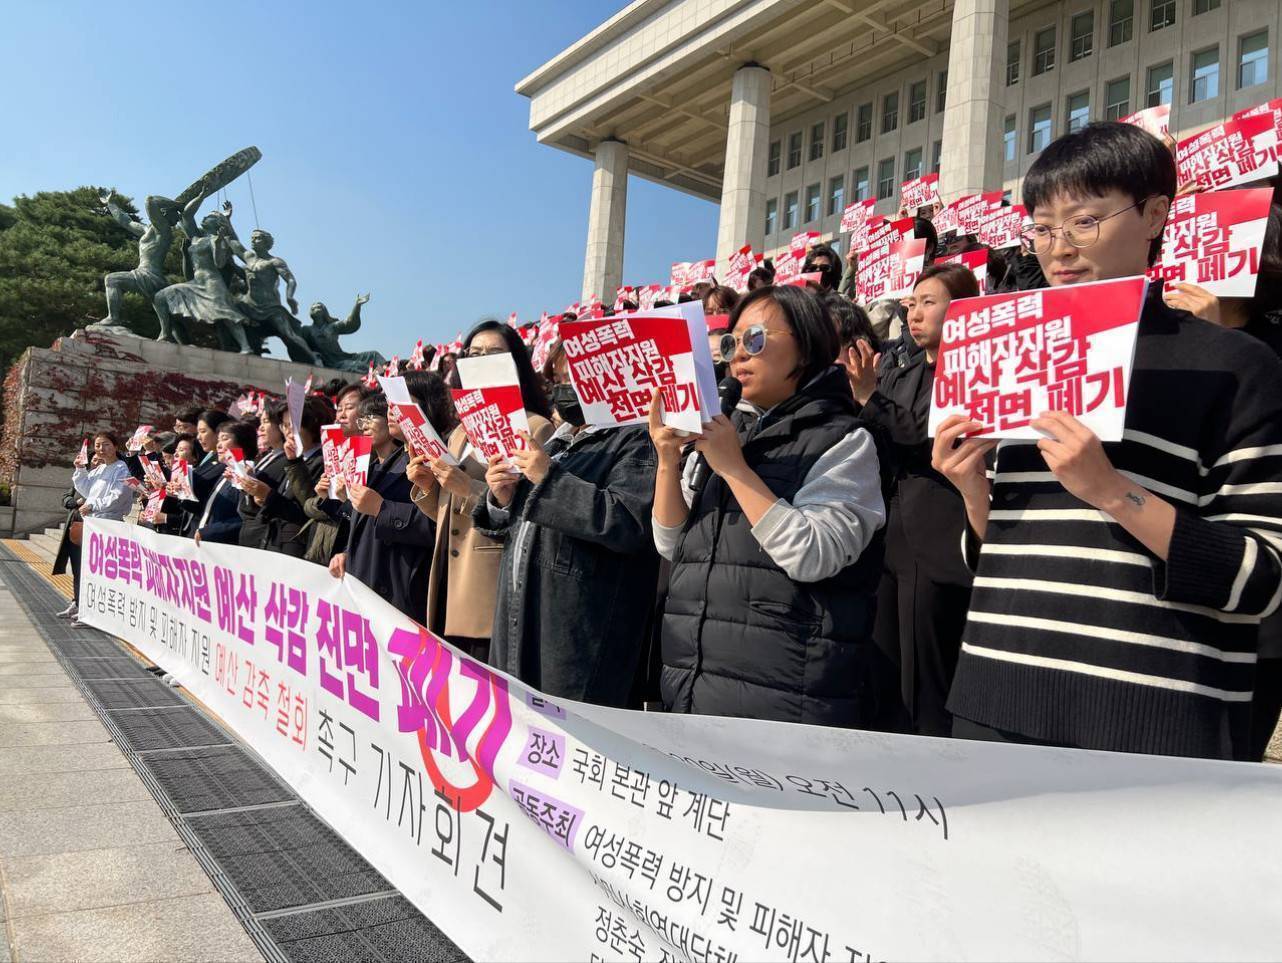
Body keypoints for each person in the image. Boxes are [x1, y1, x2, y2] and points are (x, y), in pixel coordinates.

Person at [934, 122, 1282, 760]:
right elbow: (999, 559)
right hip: (994, 702)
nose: (1059, 248)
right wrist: (973, 491)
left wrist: (1113, 492)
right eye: (1042, 228)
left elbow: (1264, 578)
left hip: (1152, 722)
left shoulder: (1236, 365)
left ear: (1154, 214)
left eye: (1085, 221)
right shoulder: (1016, 354)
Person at [652, 285, 890, 726]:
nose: (739, 355)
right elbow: (672, 544)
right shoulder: (723, 431)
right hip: (695, 684)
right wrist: (667, 460)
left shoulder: (846, 440)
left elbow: (812, 554)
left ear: (807, 344)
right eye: (731, 343)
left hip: (785, 697)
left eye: (756, 339)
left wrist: (734, 469)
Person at [852, 263, 981, 735]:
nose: (914, 314)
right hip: (892, 533)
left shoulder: (973, 372)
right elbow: (879, 434)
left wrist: (871, 398)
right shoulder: (901, 371)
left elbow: (928, 437)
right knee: (885, 659)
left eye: (929, 303)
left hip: (939, 531)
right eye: (911, 304)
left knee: (927, 673)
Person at [407, 324, 555, 662]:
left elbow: (533, 516)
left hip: (490, 586)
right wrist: (429, 487)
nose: (482, 360)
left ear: (516, 363)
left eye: (493, 353)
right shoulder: (460, 431)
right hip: (447, 582)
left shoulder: (535, 428)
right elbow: (447, 512)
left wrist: (469, 488)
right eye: (474, 354)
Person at [330, 393, 435, 619]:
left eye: (371, 417)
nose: (364, 425)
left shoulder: (420, 463)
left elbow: (434, 523)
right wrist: (349, 553)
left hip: (397, 589)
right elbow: (365, 524)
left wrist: (382, 509)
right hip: (365, 580)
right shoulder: (372, 467)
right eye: (362, 419)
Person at [66, 432, 135, 622]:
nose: (101, 449)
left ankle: (99, 613)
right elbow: (86, 489)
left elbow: (117, 496)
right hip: (94, 523)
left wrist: (94, 505)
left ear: (115, 446)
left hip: (109, 524)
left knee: (104, 570)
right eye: (97, 445)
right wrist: (80, 469)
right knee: (91, 569)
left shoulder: (121, 468)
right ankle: (89, 609)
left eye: (106, 444)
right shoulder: (100, 468)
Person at [255, 394, 334, 558]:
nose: (288, 431)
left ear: (312, 424)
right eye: (284, 425)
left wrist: (269, 496)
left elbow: (308, 509)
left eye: (292, 425)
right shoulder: (294, 457)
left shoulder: (324, 461)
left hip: (297, 547)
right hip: (276, 542)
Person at [301, 383, 366, 563]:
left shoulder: (373, 458)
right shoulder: (335, 451)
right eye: (339, 409)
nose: (342, 415)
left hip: (347, 553)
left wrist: (341, 501)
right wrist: (323, 497)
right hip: (321, 549)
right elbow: (308, 506)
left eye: (349, 408)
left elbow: (360, 516)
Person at [193, 420, 258, 545]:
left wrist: (212, 531)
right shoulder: (227, 473)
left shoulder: (249, 474)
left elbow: (247, 518)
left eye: (225, 439)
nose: (218, 445)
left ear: (242, 443)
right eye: (218, 440)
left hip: (225, 547)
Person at [235, 402, 290, 550]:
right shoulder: (267, 456)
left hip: (265, 538)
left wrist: (257, 490)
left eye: (266, 421)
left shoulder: (288, 460)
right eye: (261, 422)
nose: (260, 428)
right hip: (251, 534)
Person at [178, 409, 231, 537]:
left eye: (203, 431)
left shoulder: (227, 464)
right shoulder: (208, 456)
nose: (198, 437)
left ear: (219, 432)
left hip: (209, 532)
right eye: (198, 432)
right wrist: (179, 491)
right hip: (193, 528)